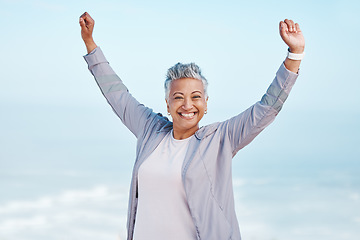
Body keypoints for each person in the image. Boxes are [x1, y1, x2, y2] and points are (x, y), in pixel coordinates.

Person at [79, 12, 305, 240]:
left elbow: (266, 108)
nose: (187, 105)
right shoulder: (150, 129)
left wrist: (294, 54)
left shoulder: (220, 139)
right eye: (178, 97)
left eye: (196, 97)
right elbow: (117, 94)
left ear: (206, 104)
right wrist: (90, 43)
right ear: (167, 104)